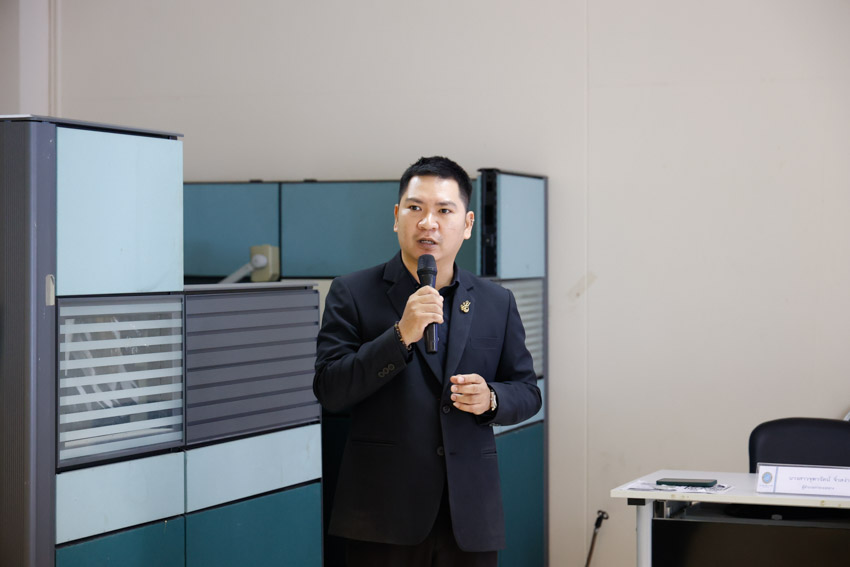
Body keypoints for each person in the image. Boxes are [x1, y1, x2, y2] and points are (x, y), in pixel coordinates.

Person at [313, 156, 542, 567]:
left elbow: (527, 391)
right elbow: (330, 389)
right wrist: (400, 335)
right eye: (415, 208)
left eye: (444, 210)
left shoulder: (496, 302)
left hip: (469, 515)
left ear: (467, 224)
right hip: (382, 514)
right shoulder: (352, 292)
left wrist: (491, 398)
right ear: (396, 216)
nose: (428, 223)